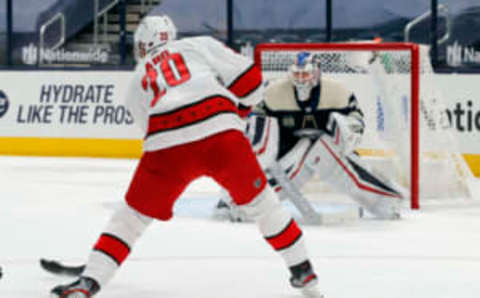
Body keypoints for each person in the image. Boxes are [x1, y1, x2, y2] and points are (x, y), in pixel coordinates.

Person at [50, 15, 323, 298]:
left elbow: (151, 133)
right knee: (265, 206)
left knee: (130, 219)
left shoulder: (136, 79)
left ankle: (89, 282)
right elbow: (252, 83)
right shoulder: (198, 45)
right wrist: (236, 112)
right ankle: (303, 271)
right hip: (222, 134)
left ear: (142, 45)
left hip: (168, 145)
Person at [215, 51, 405, 223]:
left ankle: (385, 201)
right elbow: (255, 127)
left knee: (323, 151)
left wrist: (349, 132)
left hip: (323, 148)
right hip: (285, 151)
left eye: (305, 74)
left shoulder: (337, 93)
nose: (301, 80)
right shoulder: (273, 94)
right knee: (255, 162)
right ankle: (235, 200)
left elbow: (355, 121)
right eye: (297, 75)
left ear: (316, 74)